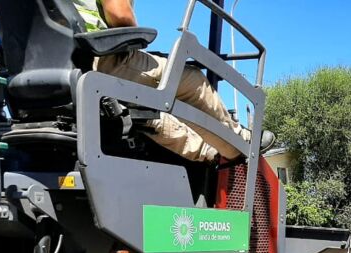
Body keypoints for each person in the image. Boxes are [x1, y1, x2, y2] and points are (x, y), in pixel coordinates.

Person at [74, 0, 274, 163]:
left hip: (66, 69)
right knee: (192, 80)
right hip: (102, 59)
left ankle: (208, 152)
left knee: (152, 115)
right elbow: (120, 15)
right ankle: (240, 143)